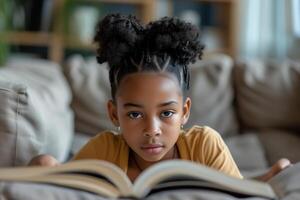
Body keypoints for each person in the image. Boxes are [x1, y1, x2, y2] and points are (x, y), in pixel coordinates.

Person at [29, 14, 291, 182]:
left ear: (185, 111)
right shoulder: (106, 149)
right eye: (134, 114)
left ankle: (264, 176)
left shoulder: (204, 145)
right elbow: (62, 183)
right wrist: (45, 165)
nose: (152, 130)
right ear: (113, 114)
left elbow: (237, 191)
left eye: (166, 113)